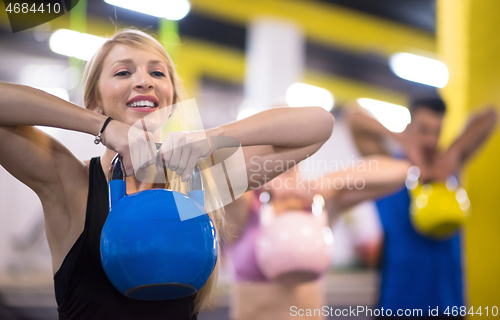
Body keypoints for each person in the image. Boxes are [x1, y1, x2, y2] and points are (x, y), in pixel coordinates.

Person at [0, 29, 335, 320]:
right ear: (95, 101)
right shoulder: (70, 184)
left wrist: (210, 137)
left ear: (171, 99)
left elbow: (319, 125)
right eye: (123, 73)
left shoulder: (199, 184)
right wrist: (103, 128)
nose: (143, 80)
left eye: (157, 74)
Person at [347, 97, 498, 319]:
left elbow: (490, 116)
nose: (430, 139)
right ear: (409, 127)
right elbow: (353, 117)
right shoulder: (391, 167)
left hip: (448, 306)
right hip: (398, 307)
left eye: (437, 131)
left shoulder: (449, 167)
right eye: (423, 130)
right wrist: (401, 139)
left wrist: (455, 150)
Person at [223, 155, 411, 320]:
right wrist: (260, 180)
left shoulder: (319, 204)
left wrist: (326, 183)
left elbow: (401, 172)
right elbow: (213, 176)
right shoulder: (245, 207)